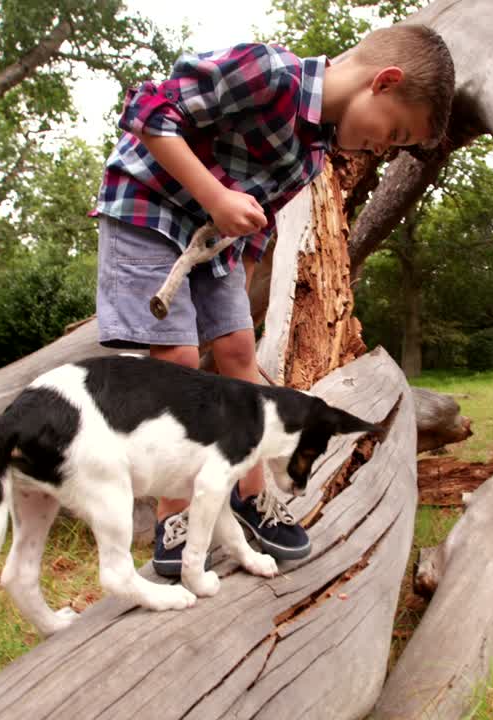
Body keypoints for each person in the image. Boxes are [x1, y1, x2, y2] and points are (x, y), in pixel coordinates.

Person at [91, 24, 455, 577]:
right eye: (395, 133)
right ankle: (175, 514)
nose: (384, 149)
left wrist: (237, 288)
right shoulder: (270, 73)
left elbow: (257, 224)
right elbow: (148, 111)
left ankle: (249, 493)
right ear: (383, 82)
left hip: (217, 242)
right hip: (149, 210)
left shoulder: (315, 152)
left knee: (240, 352)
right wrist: (216, 197)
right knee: (179, 360)